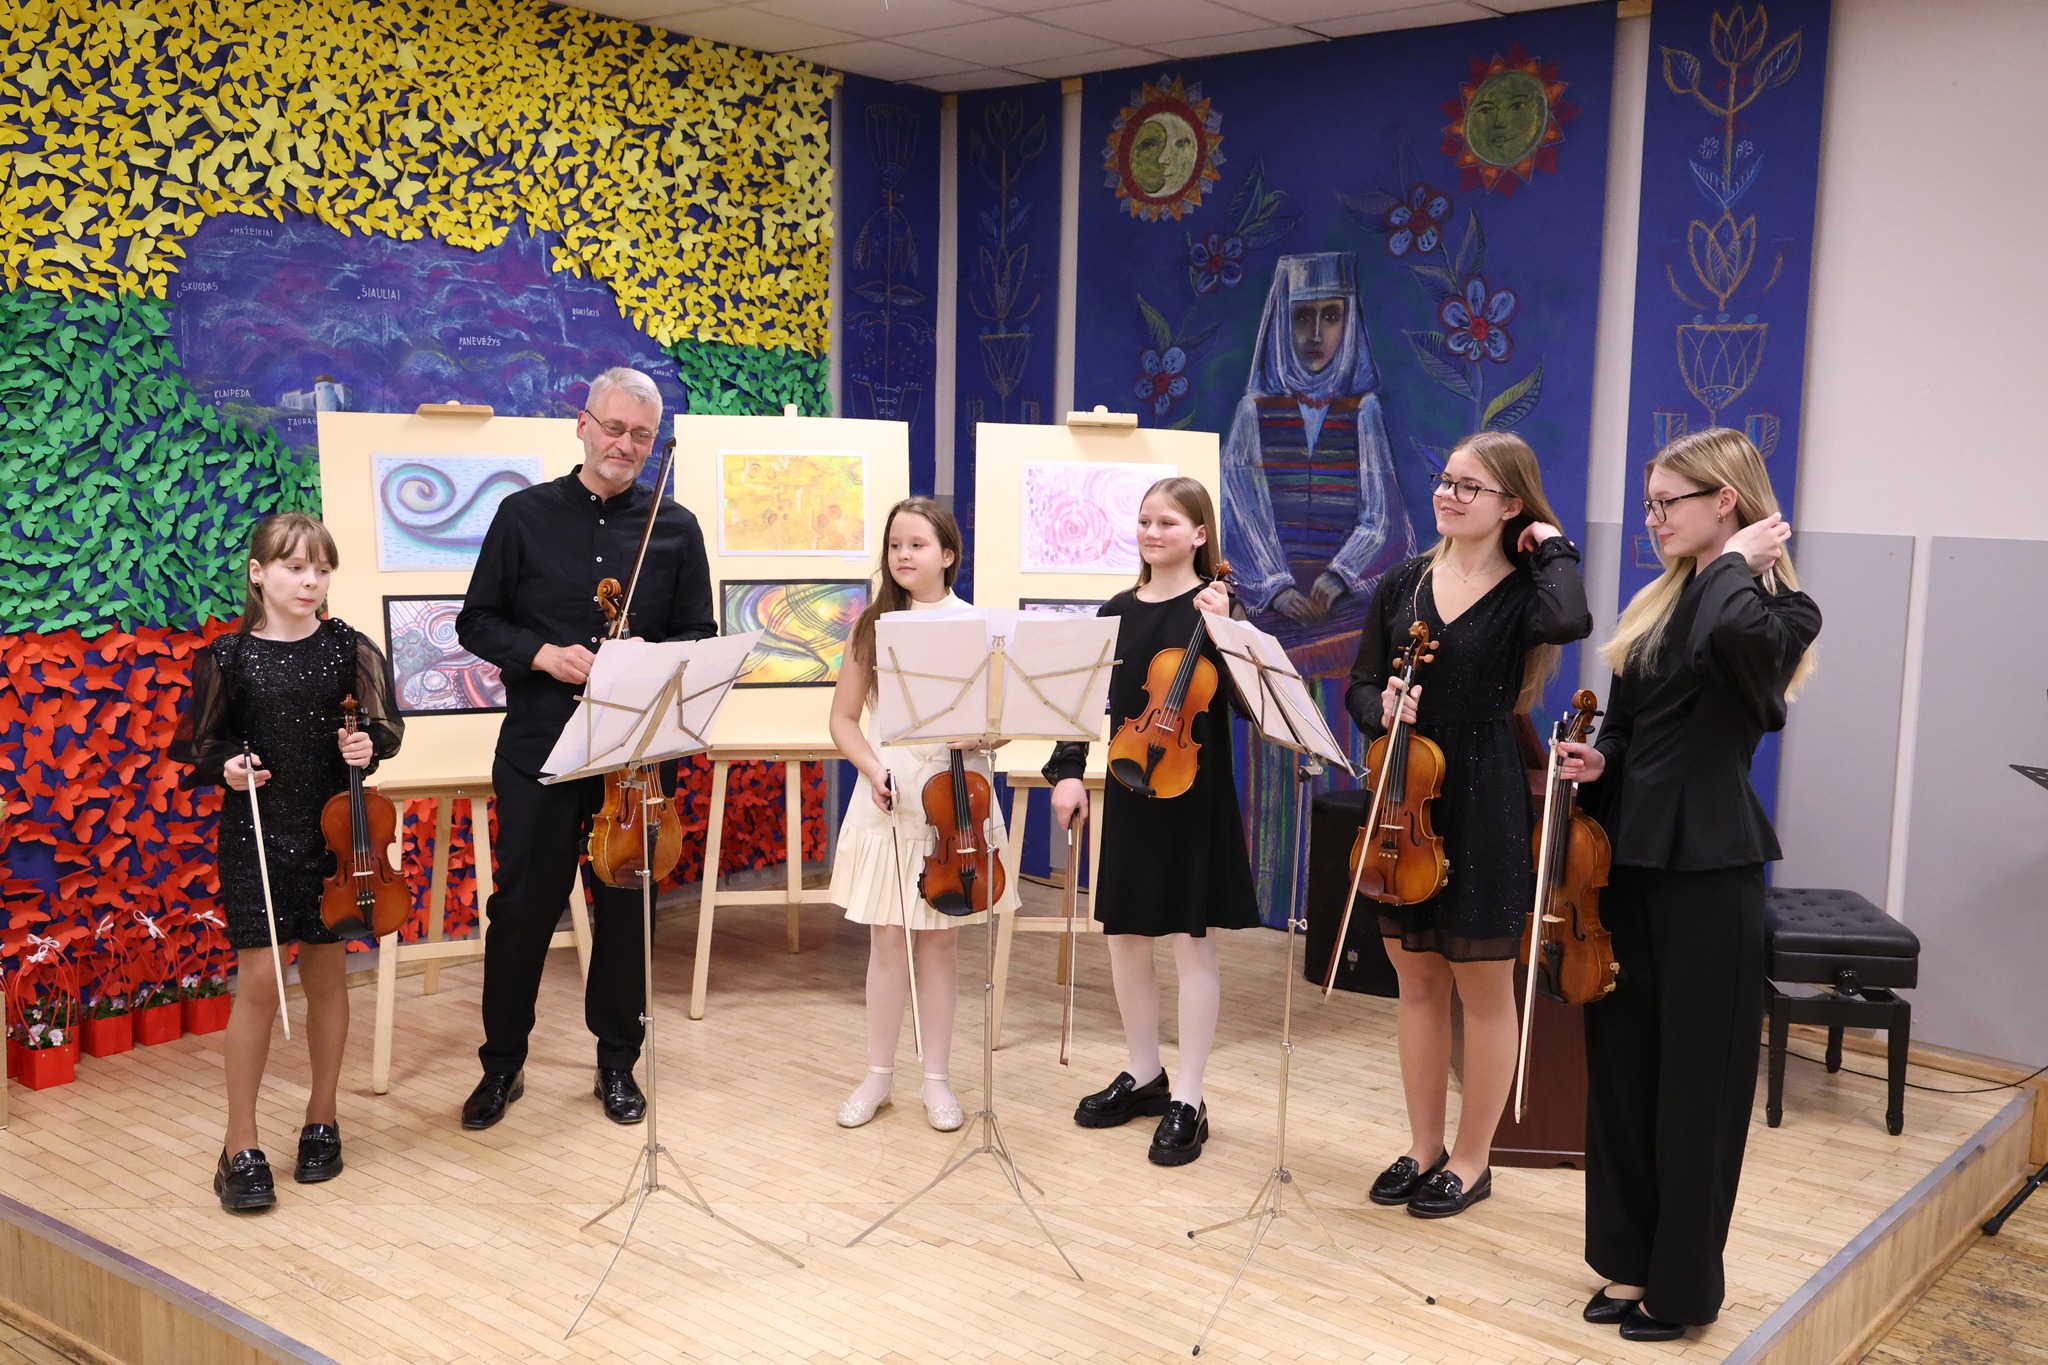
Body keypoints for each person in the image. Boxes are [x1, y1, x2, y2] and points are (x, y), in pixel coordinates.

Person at [1558, 427, 1820, 1342]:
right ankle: (1628, 1259)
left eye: (1669, 502)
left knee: (1698, 1085)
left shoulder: (1781, 613)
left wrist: (1732, 565)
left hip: (1711, 868)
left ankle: (1684, 1286)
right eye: (1650, 503)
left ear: (1727, 502)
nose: (1653, 518)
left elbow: (1735, 646)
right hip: (1627, 857)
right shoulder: (1656, 604)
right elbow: (1630, 727)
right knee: (1623, 1071)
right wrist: (1602, 761)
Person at [455, 367, 714, 1130]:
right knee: (523, 908)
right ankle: (502, 1063)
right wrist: (541, 654)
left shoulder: (676, 528)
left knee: (629, 909)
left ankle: (617, 1062)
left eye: (642, 435)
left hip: (635, 757)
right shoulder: (523, 515)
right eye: (614, 427)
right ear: (583, 424)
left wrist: (646, 656)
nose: (625, 444)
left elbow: (699, 634)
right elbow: (477, 620)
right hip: (542, 743)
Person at [1344, 432, 1591, 1218]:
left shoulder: (1526, 593)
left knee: (1483, 988)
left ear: (1511, 503)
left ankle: (1473, 1157)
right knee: (1416, 979)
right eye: (1444, 480)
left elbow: (1572, 616)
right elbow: (1358, 683)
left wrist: (1551, 544)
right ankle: (1423, 1146)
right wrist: (1381, 706)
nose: (1447, 495)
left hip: (1483, 796)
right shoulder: (1403, 582)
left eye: (1468, 486)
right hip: (1405, 796)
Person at [172, 513, 404, 1212]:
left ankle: (322, 1118)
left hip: (335, 839)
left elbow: (384, 727)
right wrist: (229, 766)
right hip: (255, 835)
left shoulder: (348, 647)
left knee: (328, 974)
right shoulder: (227, 657)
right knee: (258, 982)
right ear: (258, 572)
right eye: (295, 567)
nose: (310, 582)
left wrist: (368, 746)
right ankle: (239, 1143)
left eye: (321, 570)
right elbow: (199, 747)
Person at [1047, 476, 1258, 1167]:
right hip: (1133, 783)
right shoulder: (1115, 610)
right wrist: (1070, 770)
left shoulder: (1219, 609)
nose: (1151, 532)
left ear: (1199, 534)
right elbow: (1084, 698)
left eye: (1167, 522)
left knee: (1193, 944)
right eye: (1144, 521)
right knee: (1126, 937)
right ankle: (1144, 1073)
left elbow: (1250, 704)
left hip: (1195, 792)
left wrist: (1228, 628)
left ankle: (1189, 1096)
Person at [827, 498, 1018, 1132]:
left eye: (917, 544)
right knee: (887, 941)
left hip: (957, 805)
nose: (903, 555)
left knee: (939, 941)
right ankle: (878, 1076)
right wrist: (872, 769)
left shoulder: (980, 627)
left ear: (948, 555)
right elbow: (844, 720)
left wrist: (985, 737)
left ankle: (936, 1079)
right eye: (894, 545)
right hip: (893, 795)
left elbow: (1003, 726)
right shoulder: (872, 627)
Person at [1219, 251, 1414, 646]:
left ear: (1349, 320)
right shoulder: (1254, 412)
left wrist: (1340, 573)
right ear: (1282, 321)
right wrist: (1276, 587)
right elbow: (1241, 512)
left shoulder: (1363, 411)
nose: (1316, 335)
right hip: (1273, 609)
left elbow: (1382, 515)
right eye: (1303, 317)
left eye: (1331, 316)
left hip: (1344, 608)